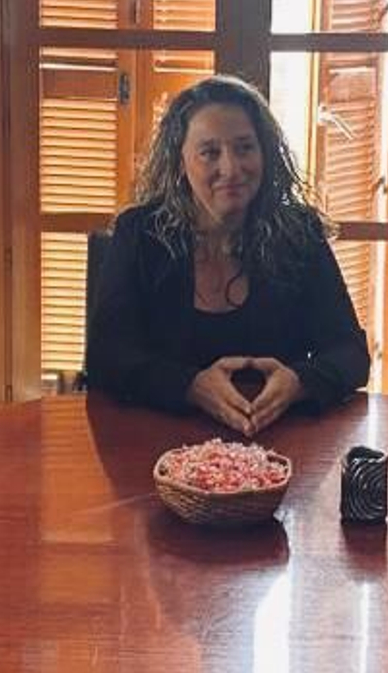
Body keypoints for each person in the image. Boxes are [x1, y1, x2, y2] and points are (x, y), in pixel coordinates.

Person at [86, 74, 370, 437]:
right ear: (180, 161)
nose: (231, 169)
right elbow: (107, 358)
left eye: (244, 148)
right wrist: (190, 386)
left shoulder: (299, 232)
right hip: (156, 447)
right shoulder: (139, 233)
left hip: (276, 448)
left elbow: (350, 354)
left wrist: (300, 381)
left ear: (264, 152)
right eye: (209, 152)